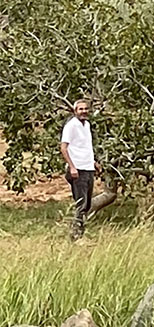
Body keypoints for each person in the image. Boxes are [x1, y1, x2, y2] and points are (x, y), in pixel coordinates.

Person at [59, 99, 102, 241]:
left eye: (86, 109)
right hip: (78, 170)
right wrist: (72, 167)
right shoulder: (71, 126)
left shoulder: (87, 125)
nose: (84, 111)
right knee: (81, 203)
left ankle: (79, 232)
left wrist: (94, 162)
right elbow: (64, 148)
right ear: (75, 111)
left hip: (88, 168)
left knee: (87, 204)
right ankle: (76, 236)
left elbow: (85, 147)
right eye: (80, 109)